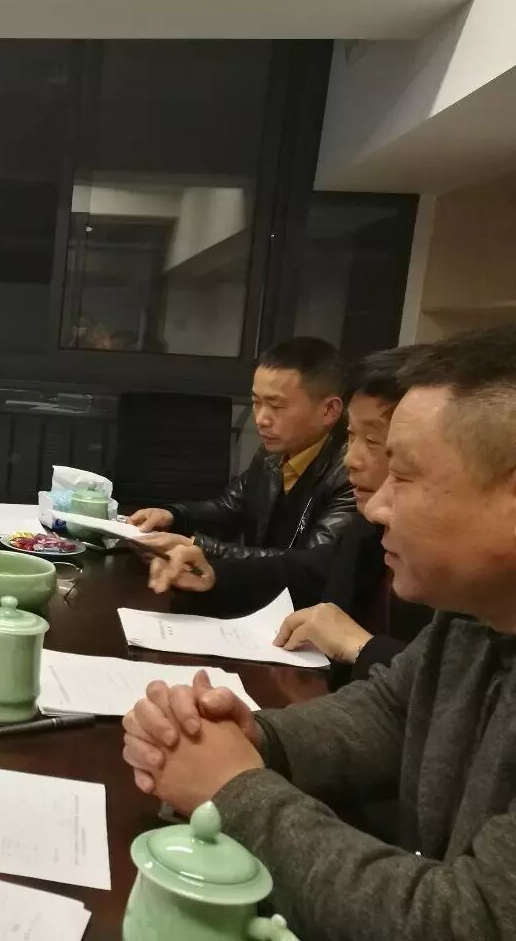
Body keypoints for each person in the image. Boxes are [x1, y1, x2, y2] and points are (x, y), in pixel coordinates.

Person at [121, 324, 516, 941]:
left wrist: (236, 789)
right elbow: (390, 711)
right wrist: (255, 736)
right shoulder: (474, 618)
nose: (376, 506)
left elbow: (466, 920)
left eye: (404, 476)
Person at [148, 347, 434, 687]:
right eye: (351, 436)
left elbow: (449, 690)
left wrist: (363, 648)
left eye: (372, 441)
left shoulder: (458, 565)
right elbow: (309, 568)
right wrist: (214, 576)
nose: (351, 459)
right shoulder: (367, 526)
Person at [129, 337, 356, 559]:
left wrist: (199, 547)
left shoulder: (352, 474)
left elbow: (310, 564)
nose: (261, 419)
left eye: (276, 406)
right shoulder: (272, 454)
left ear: (329, 411)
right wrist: (172, 516)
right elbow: (228, 509)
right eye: (257, 402)